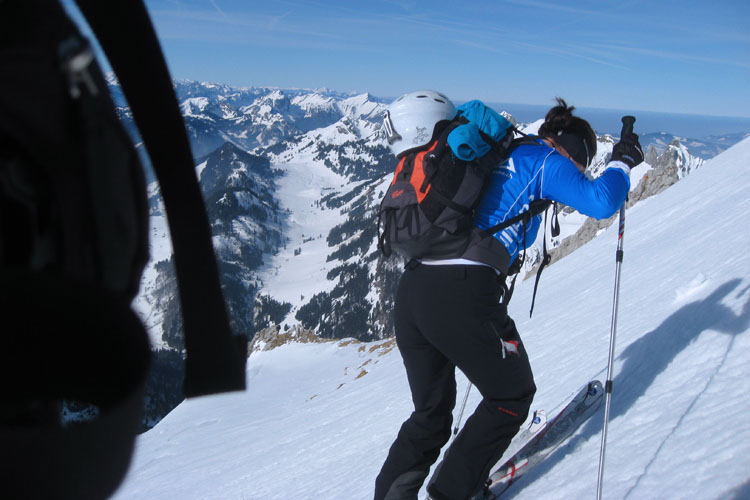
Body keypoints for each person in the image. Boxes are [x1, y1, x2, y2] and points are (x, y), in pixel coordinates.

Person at [374, 92, 643, 500]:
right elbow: (601, 200)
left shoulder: (491, 154)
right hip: (460, 295)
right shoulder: (543, 160)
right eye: (582, 165)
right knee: (511, 394)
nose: (579, 173)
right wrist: (622, 161)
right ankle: (451, 492)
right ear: (573, 153)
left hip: (413, 292)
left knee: (430, 415)